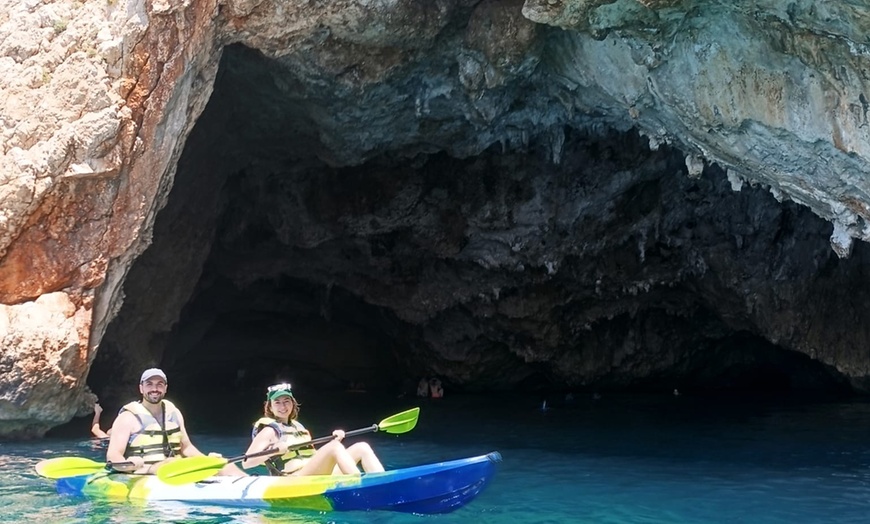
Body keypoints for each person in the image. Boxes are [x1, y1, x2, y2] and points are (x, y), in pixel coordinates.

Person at [105, 368, 245, 476]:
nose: (155, 389)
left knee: (224, 464)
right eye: (149, 384)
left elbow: (187, 448)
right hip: (145, 471)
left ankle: (251, 486)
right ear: (141, 388)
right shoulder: (127, 418)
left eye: (159, 385)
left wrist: (208, 461)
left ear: (165, 388)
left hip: (176, 468)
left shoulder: (174, 413)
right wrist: (129, 465)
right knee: (170, 463)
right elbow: (113, 456)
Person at [241, 383, 385, 476]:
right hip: (294, 477)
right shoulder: (269, 431)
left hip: (313, 472)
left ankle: (381, 481)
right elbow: (246, 463)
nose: (283, 406)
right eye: (277, 403)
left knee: (362, 447)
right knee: (334, 447)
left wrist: (336, 438)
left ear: (293, 404)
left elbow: (312, 455)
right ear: (270, 407)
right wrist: (273, 450)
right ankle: (359, 485)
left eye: (286, 401)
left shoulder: (298, 427)